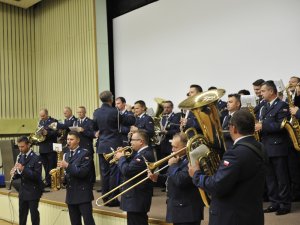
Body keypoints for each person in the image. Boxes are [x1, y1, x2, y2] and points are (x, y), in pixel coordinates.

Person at [189, 109, 266, 225]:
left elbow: (216, 186)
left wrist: (196, 174)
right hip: (252, 213)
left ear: (233, 128)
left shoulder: (235, 153)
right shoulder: (260, 146)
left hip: (232, 216)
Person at [148, 132, 204, 225]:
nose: (172, 150)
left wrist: (173, 165)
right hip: (178, 209)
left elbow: (180, 180)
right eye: (172, 146)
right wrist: (157, 178)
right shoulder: (178, 158)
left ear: (186, 146)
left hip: (187, 211)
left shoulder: (193, 159)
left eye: (176, 147)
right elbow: (171, 177)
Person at [255, 80, 291, 215]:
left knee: (281, 178)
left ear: (271, 91)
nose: (261, 93)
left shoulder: (282, 105)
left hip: (278, 147)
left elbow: (281, 125)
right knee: (270, 178)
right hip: (265, 147)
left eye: (263, 91)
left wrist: (262, 126)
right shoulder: (263, 106)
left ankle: (285, 204)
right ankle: (274, 202)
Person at [93, 90, 134, 206]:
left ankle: (105, 197)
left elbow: (95, 127)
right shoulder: (115, 111)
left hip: (101, 146)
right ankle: (112, 198)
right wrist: (129, 111)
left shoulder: (96, 112)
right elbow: (130, 121)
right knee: (114, 173)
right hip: (114, 145)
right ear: (111, 99)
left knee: (104, 173)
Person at [114, 130, 155, 225]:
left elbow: (127, 171)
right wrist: (123, 156)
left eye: (133, 140)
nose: (130, 142)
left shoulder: (144, 155)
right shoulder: (140, 153)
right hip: (135, 198)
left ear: (141, 141)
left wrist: (121, 158)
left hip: (137, 198)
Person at [58, 131, 95, 225]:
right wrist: (62, 179)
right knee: (74, 222)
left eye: (71, 139)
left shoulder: (85, 153)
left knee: (88, 222)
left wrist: (67, 166)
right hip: (71, 195)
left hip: (83, 194)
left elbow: (83, 173)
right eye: (67, 139)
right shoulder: (66, 155)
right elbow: (68, 174)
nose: (68, 142)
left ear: (78, 140)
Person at [10, 136, 43, 225]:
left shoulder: (36, 157)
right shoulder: (20, 157)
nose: (20, 149)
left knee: (34, 215)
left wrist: (23, 169)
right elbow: (20, 175)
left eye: (22, 146)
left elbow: (36, 176)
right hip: (23, 191)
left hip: (33, 191)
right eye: (19, 147)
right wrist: (15, 173)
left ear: (28, 145)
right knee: (22, 215)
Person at [37, 108, 58, 188]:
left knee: (52, 165)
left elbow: (56, 133)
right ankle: (48, 181)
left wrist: (47, 133)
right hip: (42, 147)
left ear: (47, 114)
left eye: (43, 116)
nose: (41, 117)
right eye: (40, 116)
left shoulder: (53, 121)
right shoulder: (40, 122)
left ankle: (53, 183)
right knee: (45, 166)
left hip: (50, 147)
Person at [157, 101, 181, 171]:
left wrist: (167, 132)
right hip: (162, 144)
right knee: (162, 165)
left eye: (168, 107)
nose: (166, 109)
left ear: (172, 108)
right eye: (164, 107)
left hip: (171, 145)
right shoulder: (162, 117)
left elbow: (178, 131)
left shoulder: (176, 117)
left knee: (170, 165)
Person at [76, 106, 96, 183]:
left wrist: (83, 130)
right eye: (78, 112)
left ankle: (92, 181)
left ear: (85, 112)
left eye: (81, 112)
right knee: (79, 164)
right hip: (78, 146)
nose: (80, 114)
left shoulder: (90, 121)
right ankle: (82, 180)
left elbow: (93, 134)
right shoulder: (76, 122)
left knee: (89, 164)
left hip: (87, 146)